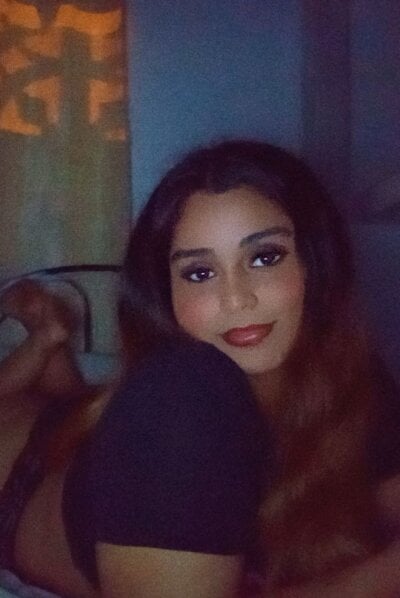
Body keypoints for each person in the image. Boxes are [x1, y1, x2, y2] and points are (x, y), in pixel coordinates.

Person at [0, 140, 400, 598]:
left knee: (73, 403)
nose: (236, 299)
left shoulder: (350, 382)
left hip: (74, 434)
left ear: (315, 262)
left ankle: (48, 344)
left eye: (265, 257)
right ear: (164, 294)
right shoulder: (182, 397)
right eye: (199, 273)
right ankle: (45, 341)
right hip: (18, 481)